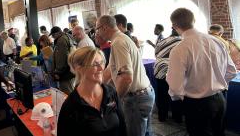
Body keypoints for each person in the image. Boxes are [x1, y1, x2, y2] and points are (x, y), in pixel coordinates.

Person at [166, 8, 237, 136]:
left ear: (174, 26)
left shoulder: (179, 49)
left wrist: (184, 99)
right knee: (219, 133)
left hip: (196, 104)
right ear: (194, 20)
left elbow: (175, 87)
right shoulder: (216, 41)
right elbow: (232, 71)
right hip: (220, 99)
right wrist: (219, 85)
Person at [97, 15, 155, 136]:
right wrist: (97, 84)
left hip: (136, 98)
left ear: (105, 27)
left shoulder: (118, 42)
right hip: (143, 94)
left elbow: (126, 78)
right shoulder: (120, 39)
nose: (97, 32)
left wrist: (116, 100)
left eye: (98, 28)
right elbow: (110, 68)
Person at [58, 46, 127, 136]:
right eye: (95, 64)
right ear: (79, 68)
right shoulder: (71, 106)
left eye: (102, 63)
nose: (101, 68)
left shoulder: (110, 92)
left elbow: (123, 126)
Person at [154, 28, 182, 122]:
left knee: (162, 95)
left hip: (160, 69)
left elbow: (156, 54)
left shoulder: (162, 41)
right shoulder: (181, 41)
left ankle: (162, 116)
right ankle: (177, 117)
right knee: (176, 95)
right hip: (173, 70)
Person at [50, 26, 75, 94]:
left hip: (65, 73)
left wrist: (57, 72)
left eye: (53, 35)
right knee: (70, 89)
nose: (52, 37)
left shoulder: (61, 40)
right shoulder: (68, 37)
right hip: (70, 70)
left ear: (58, 33)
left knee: (67, 92)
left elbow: (61, 58)